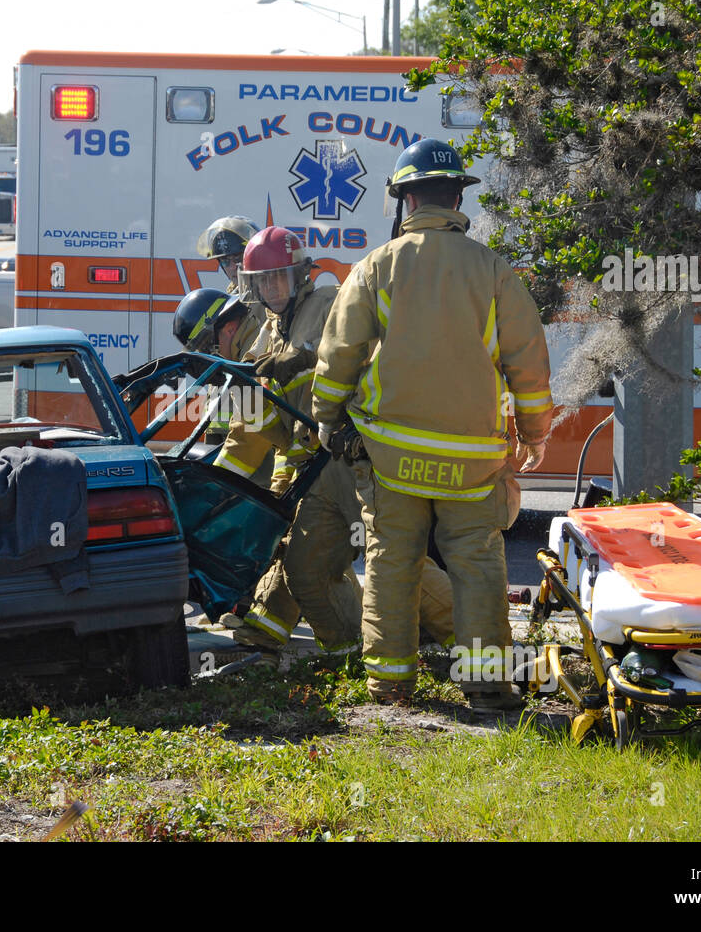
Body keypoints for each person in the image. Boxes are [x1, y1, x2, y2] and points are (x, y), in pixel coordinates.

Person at [311, 138, 553, 711]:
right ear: (456, 196)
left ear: (406, 198)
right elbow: (529, 362)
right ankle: (487, 686)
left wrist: (325, 418)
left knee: (392, 562)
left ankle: (391, 685)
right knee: (477, 564)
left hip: (392, 456)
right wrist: (535, 433)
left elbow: (339, 351)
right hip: (472, 460)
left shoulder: (377, 265)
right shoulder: (494, 271)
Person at [214, 227, 455, 657]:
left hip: (358, 454)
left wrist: (309, 356)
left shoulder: (330, 304)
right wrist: (216, 486)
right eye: (262, 280)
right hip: (316, 471)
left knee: (395, 561)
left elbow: (371, 356)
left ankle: (476, 644)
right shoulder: (265, 338)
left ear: (300, 274)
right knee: (305, 566)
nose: (271, 288)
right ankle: (348, 650)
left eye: (279, 277)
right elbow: (257, 427)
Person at [171, 287, 260, 363]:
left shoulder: (258, 356)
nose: (208, 357)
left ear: (230, 329)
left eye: (207, 348)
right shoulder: (240, 358)